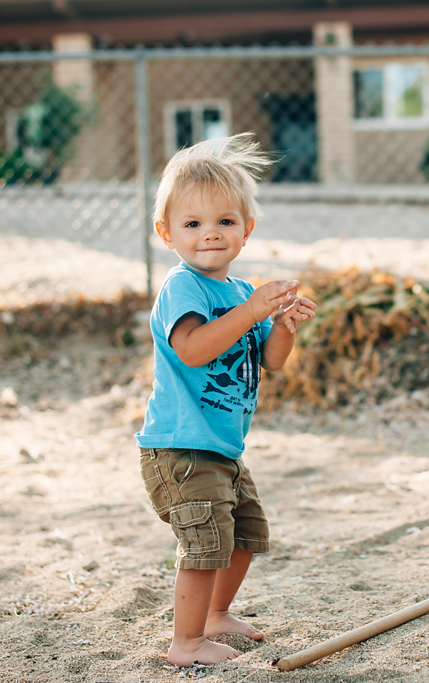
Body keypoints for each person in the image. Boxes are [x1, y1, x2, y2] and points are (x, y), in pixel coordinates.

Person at [136, 133, 316, 666]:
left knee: (244, 535)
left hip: (220, 446)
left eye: (224, 222)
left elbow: (272, 362)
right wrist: (254, 310)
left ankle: (214, 615)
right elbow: (192, 349)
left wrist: (282, 325)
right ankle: (185, 643)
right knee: (204, 542)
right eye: (192, 224)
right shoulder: (182, 288)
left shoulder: (241, 294)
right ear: (167, 234)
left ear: (246, 230)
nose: (209, 235)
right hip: (179, 447)